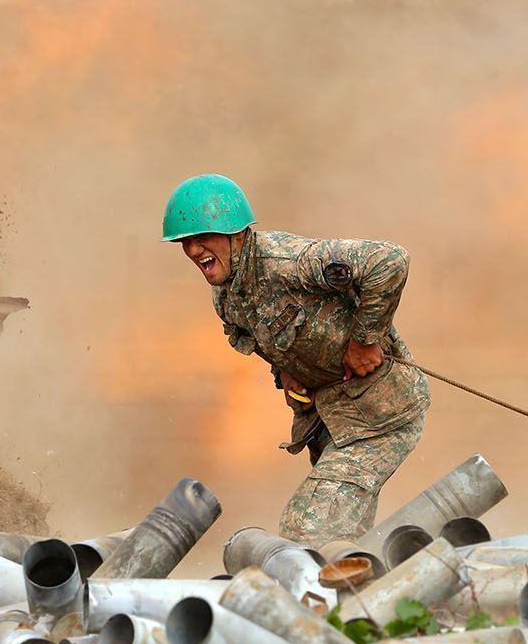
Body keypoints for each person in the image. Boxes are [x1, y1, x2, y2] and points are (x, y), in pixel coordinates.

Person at [163, 173, 429, 544]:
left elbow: (389, 261)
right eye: (185, 242)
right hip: (331, 421)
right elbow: (263, 337)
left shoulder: (288, 262)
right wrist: (285, 372)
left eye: (202, 238)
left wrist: (364, 341)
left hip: (380, 414)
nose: (193, 250)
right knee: (342, 537)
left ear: (237, 233)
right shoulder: (227, 296)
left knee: (309, 529)